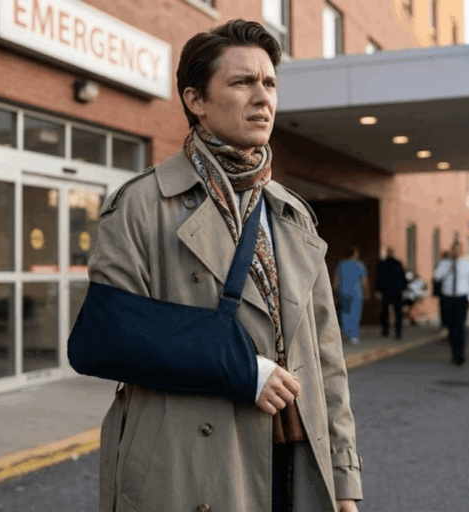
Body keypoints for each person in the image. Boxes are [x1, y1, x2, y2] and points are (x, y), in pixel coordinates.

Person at [82, 20, 361, 512]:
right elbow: (109, 338)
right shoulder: (142, 204)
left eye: (269, 83)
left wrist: (343, 483)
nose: (262, 97)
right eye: (241, 83)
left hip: (294, 461)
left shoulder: (292, 214)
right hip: (186, 465)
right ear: (196, 100)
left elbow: (326, 362)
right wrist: (242, 369)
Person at [434, 240, 469, 366]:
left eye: (458, 249)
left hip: (461, 298)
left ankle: (460, 354)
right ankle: (454, 351)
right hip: (448, 298)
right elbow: (437, 277)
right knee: (451, 327)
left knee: (460, 326)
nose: (456, 252)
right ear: (451, 250)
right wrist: (448, 266)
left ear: (461, 250)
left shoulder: (467, 264)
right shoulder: (444, 264)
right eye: (454, 249)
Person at [332, 245, 369, 344]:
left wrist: (334, 290)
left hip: (343, 291)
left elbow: (336, 279)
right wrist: (367, 292)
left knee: (344, 311)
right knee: (355, 313)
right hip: (356, 292)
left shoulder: (341, 264)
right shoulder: (360, 265)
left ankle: (345, 330)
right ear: (355, 253)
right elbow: (364, 281)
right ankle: (353, 335)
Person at [375, 247, 407, 339]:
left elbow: (379, 278)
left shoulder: (382, 264)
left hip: (387, 291)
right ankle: (397, 331)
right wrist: (404, 288)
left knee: (385, 311)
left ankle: (386, 330)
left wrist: (378, 289)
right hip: (396, 290)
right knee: (397, 312)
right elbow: (403, 277)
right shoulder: (397, 264)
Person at [433, 251, 451, 329]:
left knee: (443, 307)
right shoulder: (451, 264)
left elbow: (436, 278)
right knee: (448, 307)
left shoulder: (440, 264)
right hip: (448, 291)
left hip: (443, 291)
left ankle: (444, 323)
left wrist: (436, 291)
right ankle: (447, 323)